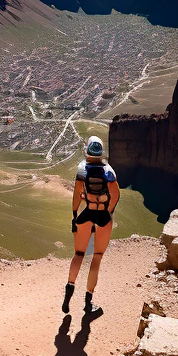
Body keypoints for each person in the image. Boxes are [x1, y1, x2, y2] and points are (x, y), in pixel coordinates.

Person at [63, 135, 120, 316]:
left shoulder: (82, 169)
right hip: (102, 216)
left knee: (79, 254)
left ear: (87, 151)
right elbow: (116, 194)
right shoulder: (108, 170)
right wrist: (108, 212)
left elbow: (76, 195)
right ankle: (88, 303)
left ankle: (68, 295)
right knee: (96, 257)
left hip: (86, 214)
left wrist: (74, 214)